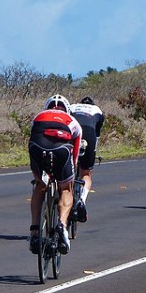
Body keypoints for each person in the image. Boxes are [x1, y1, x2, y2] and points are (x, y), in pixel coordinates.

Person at [28, 94, 82, 255]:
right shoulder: (73, 121)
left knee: (39, 185)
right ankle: (62, 226)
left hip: (37, 145)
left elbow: (32, 137)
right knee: (66, 189)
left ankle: (35, 231)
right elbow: (76, 154)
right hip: (62, 149)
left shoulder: (39, 116)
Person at [68, 96, 105, 222]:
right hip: (89, 133)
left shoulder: (72, 106)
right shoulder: (97, 110)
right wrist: (93, 154)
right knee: (86, 172)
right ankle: (82, 200)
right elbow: (97, 136)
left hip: (72, 130)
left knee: (66, 165)